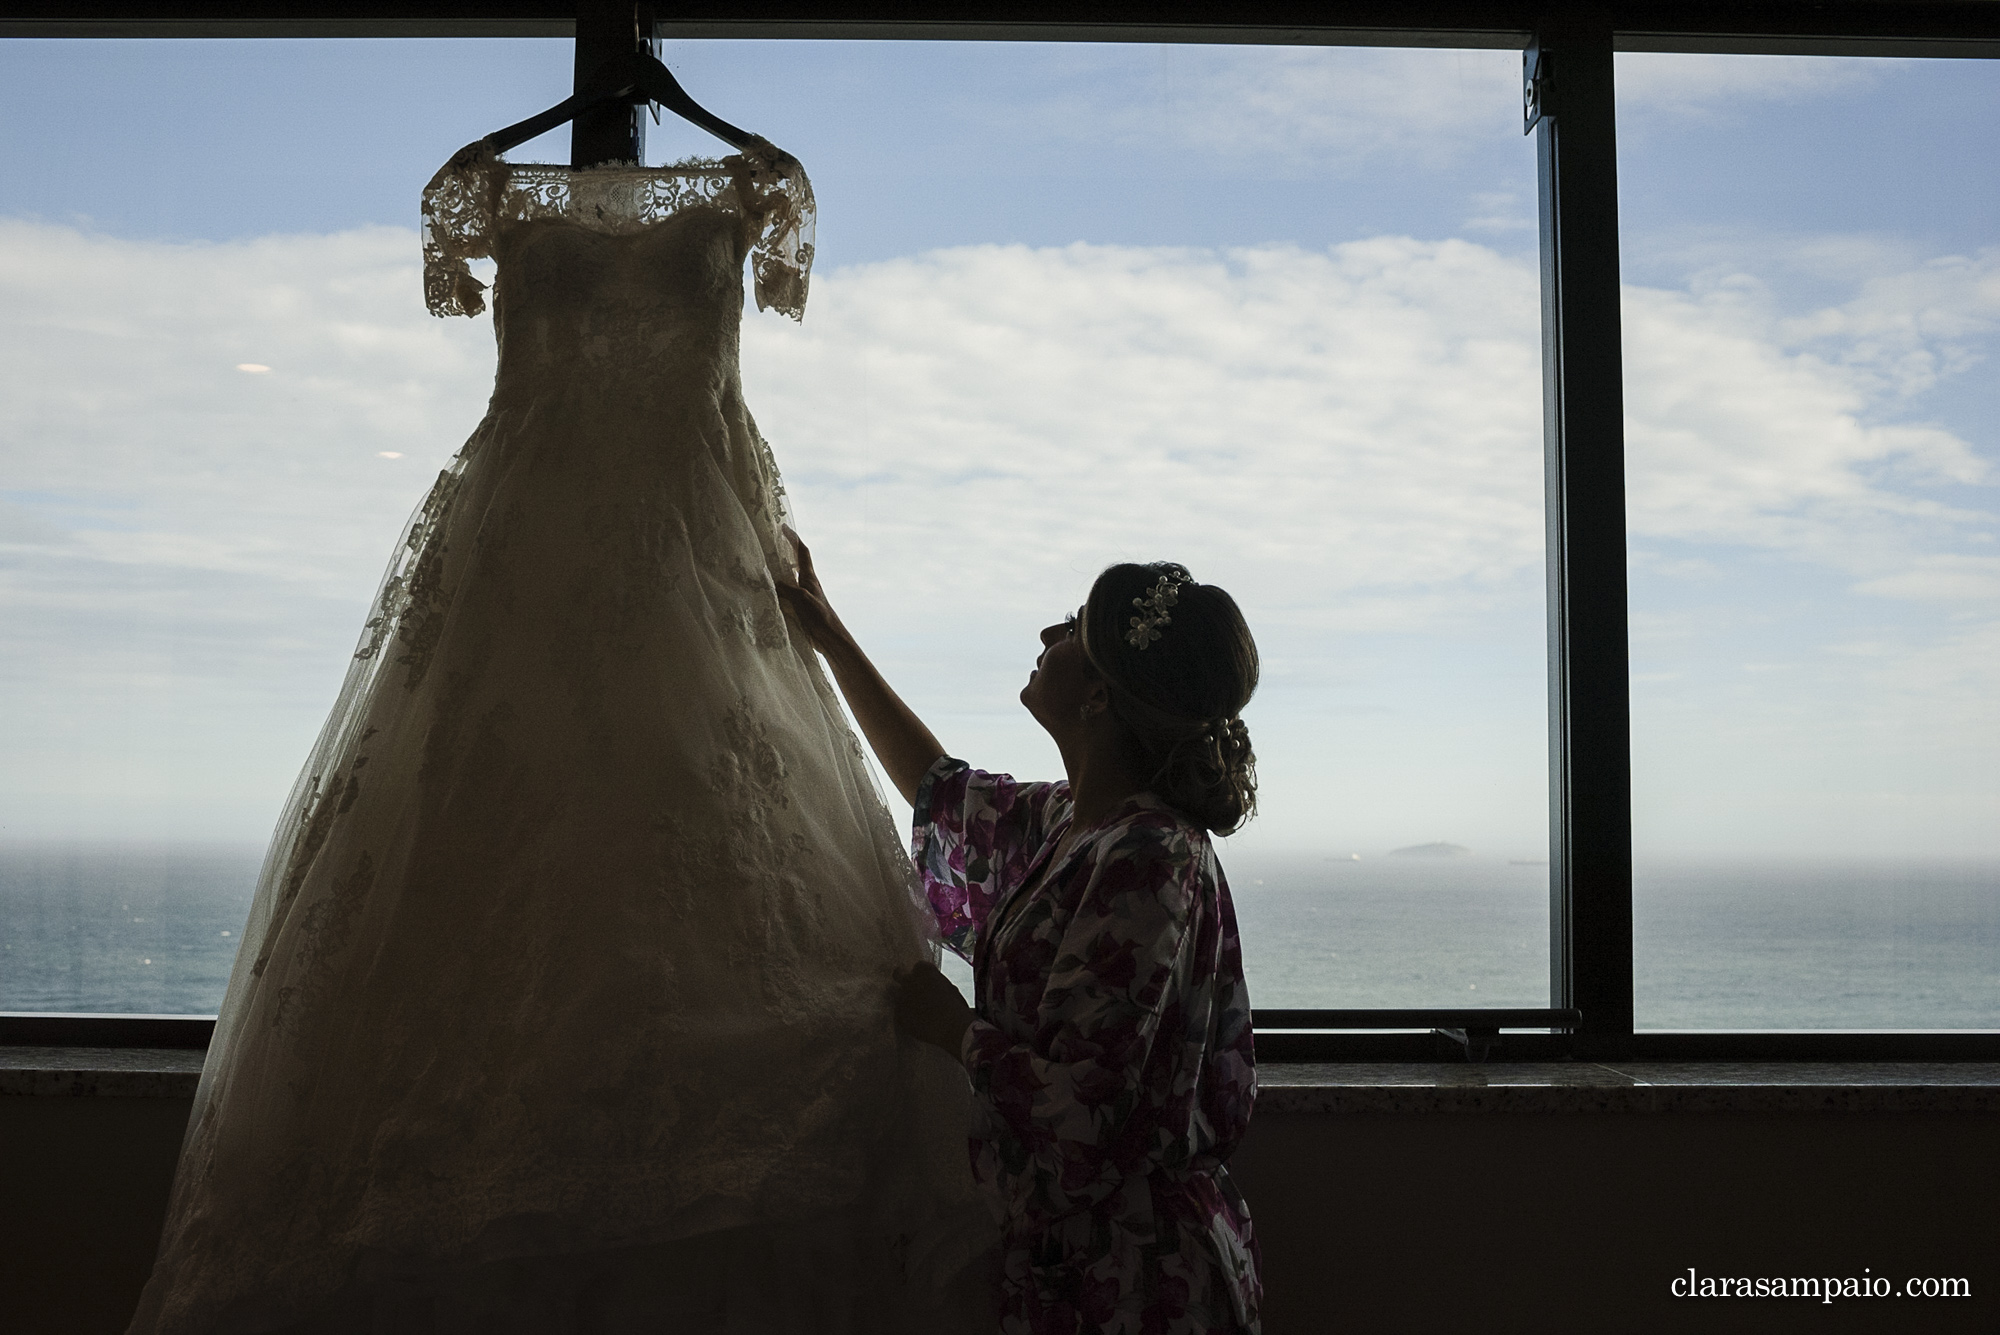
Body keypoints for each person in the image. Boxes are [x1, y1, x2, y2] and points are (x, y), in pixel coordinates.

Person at [778, 535, 1264, 1335]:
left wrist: (952, 1029)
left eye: (1071, 627)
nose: (1046, 637)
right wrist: (828, 633)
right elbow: (939, 790)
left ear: (1101, 696)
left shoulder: (1149, 855)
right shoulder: (1071, 823)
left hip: (1133, 1282)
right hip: (1066, 1266)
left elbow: (1089, 1110)